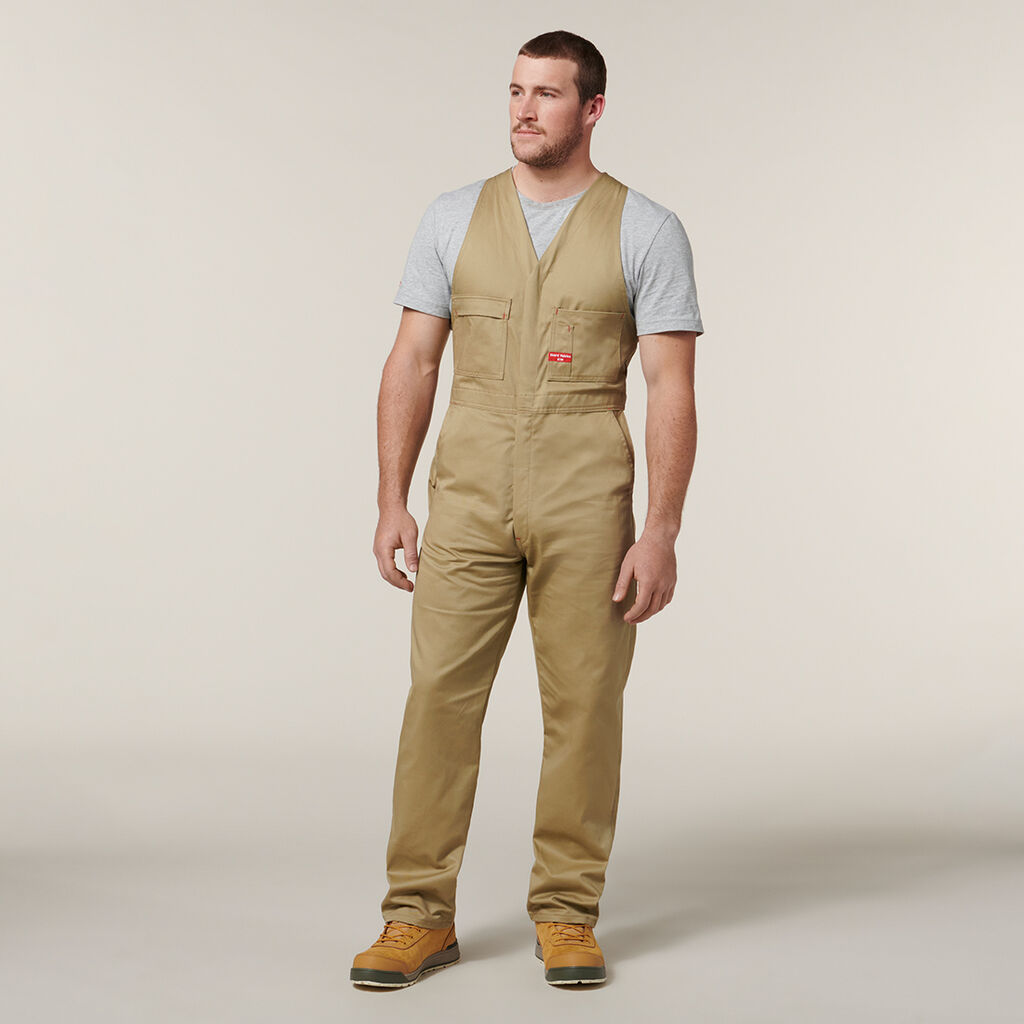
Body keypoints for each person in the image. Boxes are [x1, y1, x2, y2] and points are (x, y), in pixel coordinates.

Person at [352, 29, 704, 989]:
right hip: (466, 495)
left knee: (584, 707)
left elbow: (671, 387)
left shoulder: (646, 229)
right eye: (516, 90)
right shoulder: (452, 217)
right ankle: (416, 915)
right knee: (437, 698)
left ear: (592, 110)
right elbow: (413, 359)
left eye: (548, 94)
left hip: (586, 499)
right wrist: (390, 499)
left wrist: (662, 530)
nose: (524, 109)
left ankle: (567, 914)